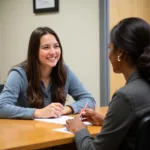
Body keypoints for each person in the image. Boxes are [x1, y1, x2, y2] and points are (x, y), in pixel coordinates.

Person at [66, 17, 150, 150]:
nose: (109, 54)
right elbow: (138, 132)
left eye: (109, 48)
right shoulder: (144, 86)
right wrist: (106, 122)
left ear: (120, 54)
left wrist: (80, 130)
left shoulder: (126, 97)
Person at [0, 27, 96, 119]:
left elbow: (89, 100)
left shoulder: (64, 71)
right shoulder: (19, 74)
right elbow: (2, 107)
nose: (53, 52)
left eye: (56, 46)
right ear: (34, 51)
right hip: (25, 132)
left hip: (55, 132)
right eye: (46, 47)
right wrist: (39, 112)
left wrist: (65, 109)